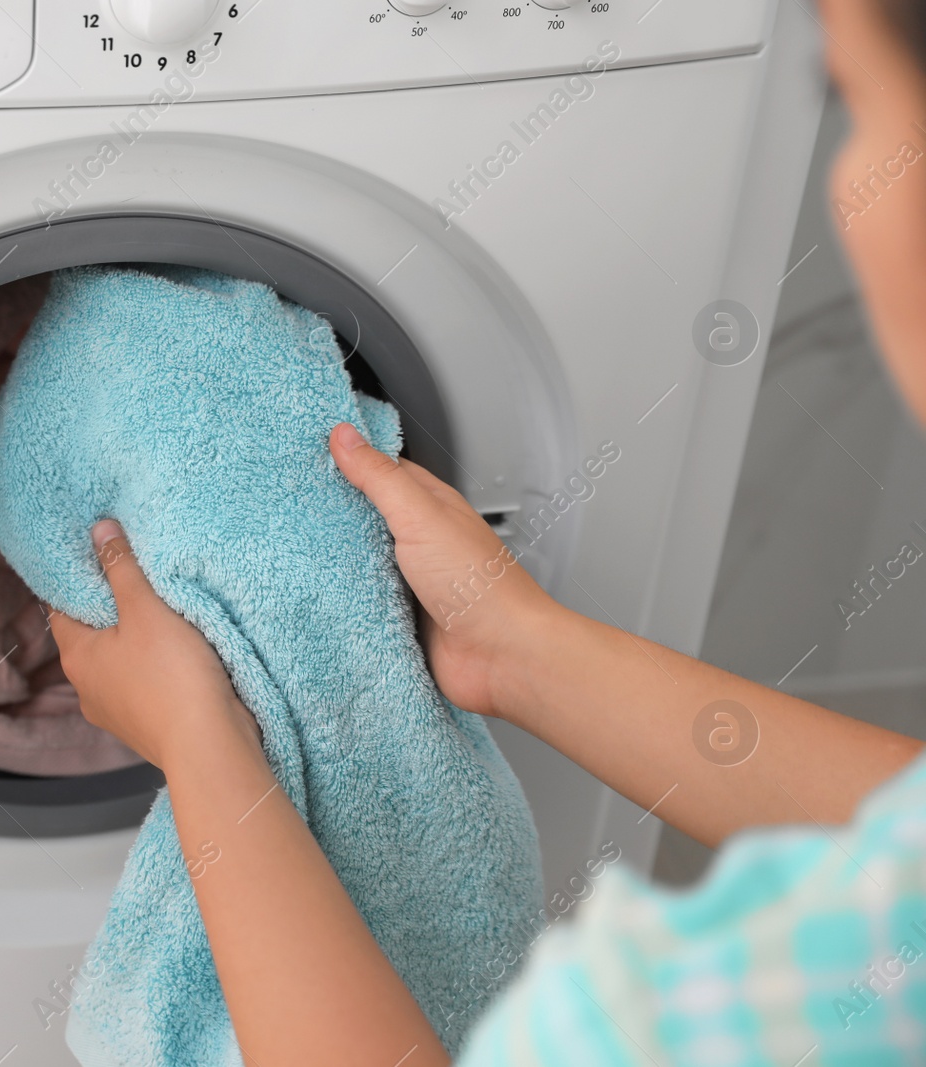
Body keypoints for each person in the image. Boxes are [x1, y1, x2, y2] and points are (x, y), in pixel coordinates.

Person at [47, 0, 926, 1061]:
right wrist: (514, 644)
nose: (853, 187)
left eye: (855, 103)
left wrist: (199, 734)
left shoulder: (706, 1011)